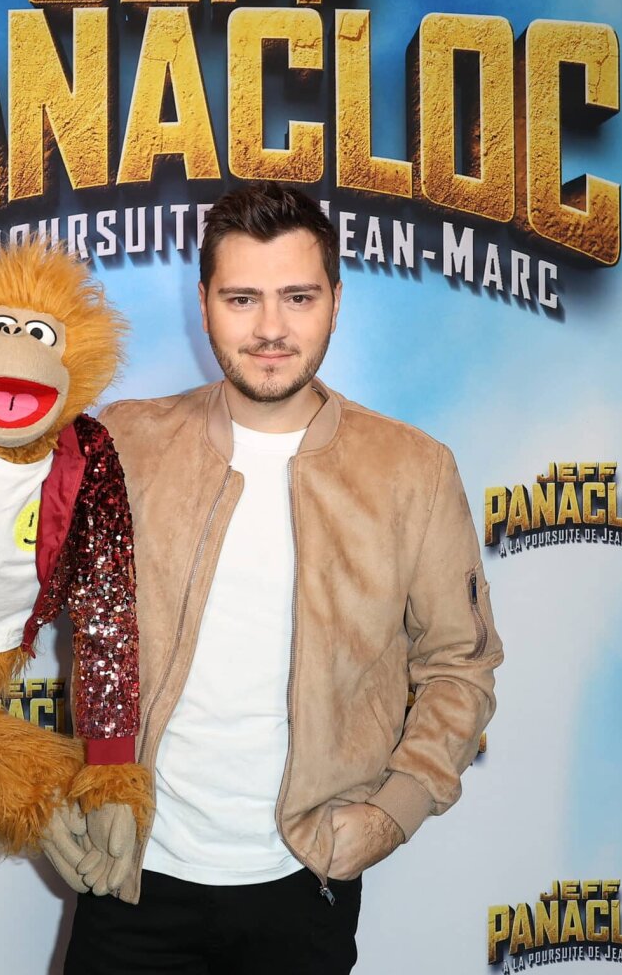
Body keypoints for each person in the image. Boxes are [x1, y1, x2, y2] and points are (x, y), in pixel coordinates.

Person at [54, 180, 505, 974]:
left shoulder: (413, 470)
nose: (269, 328)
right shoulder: (121, 443)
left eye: (297, 297)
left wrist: (392, 812)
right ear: (203, 305)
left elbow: (458, 668)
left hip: (304, 890)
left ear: (335, 301)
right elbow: (0, 610)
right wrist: (39, 788)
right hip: (130, 875)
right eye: (242, 299)